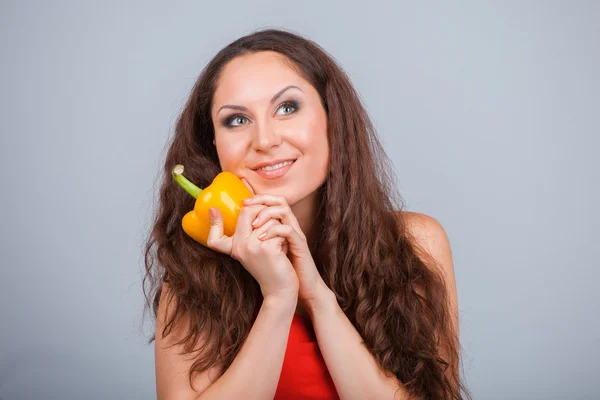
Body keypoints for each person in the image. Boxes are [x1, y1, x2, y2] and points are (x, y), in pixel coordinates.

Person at [143, 28, 471, 400]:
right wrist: (279, 298)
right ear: (213, 144)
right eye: (236, 120)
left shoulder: (415, 242)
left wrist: (316, 296)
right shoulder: (195, 273)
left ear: (333, 119)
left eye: (287, 108)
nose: (265, 141)